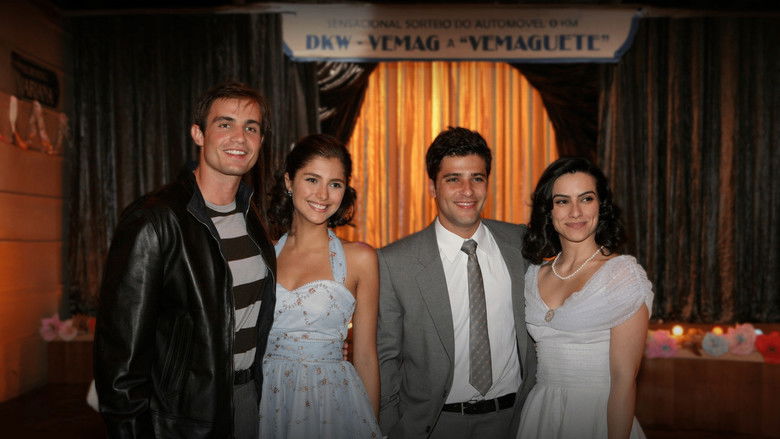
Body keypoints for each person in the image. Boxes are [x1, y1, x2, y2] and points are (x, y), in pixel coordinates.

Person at [94, 82, 276, 439]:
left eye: (251, 128)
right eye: (225, 124)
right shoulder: (154, 220)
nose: (239, 137)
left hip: (248, 401)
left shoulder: (252, 217)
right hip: (183, 419)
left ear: (261, 141)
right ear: (198, 134)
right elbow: (119, 361)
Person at [377, 126, 537, 438]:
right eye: (453, 179)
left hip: (514, 421)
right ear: (432, 187)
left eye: (477, 178)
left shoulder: (522, 244)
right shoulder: (395, 262)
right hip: (433, 425)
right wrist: (390, 426)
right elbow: (385, 357)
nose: (468, 191)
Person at [516, 157, 653, 439]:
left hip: (598, 417)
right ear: (549, 210)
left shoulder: (622, 275)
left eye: (586, 199)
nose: (575, 212)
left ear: (601, 206)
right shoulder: (533, 275)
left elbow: (624, 382)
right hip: (540, 414)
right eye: (562, 201)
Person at [259, 134, 381, 438]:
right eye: (312, 179)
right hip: (267, 398)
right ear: (289, 181)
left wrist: (374, 428)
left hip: (330, 404)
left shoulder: (360, 259)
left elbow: (366, 356)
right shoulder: (263, 256)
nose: (323, 195)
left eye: (335, 184)